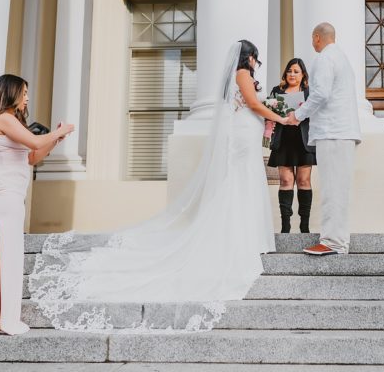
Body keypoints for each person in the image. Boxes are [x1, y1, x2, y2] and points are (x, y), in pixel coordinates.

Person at [28, 39, 289, 332]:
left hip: (247, 135)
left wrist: (267, 118)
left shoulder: (245, 76)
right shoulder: (242, 73)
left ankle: (248, 237)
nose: (256, 62)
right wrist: (279, 117)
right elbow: (252, 104)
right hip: (242, 137)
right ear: (248, 57)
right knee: (238, 187)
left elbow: (251, 106)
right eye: (255, 57)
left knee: (242, 186)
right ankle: (238, 240)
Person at [0, 74, 74, 335]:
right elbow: (36, 142)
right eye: (24, 92)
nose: (27, 97)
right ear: (11, 93)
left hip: (6, 194)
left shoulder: (11, 121)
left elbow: (32, 157)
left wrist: (55, 140)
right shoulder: (3, 118)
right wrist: (62, 130)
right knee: (1, 255)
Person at [287, 22, 360, 255]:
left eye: (312, 39)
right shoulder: (342, 59)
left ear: (317, 37)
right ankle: (337, 241)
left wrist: (297, 115)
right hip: (342, 132)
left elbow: (320, 93)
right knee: (338, 188)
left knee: (332, 189)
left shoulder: (324, 59)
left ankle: (333, 243)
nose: (312, 43)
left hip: (333, 132)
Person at [267, 58, 316, 233]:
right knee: (286, 180)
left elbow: (316, 113)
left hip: (303, 141)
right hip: (284, 140)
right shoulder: (276, 91)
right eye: (289, 71)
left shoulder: (309, 92)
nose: (292, 74)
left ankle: (304, 226)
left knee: (304, 180)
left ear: (303, 75)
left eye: (296, 71)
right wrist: (276, 112)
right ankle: (285, 227)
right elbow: (268, 114)